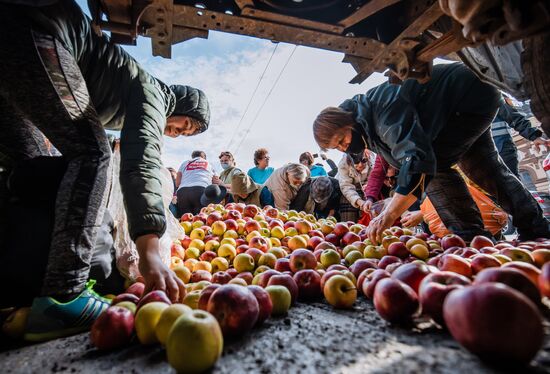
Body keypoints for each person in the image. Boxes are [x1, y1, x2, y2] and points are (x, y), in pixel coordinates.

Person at [0, 0, 210, 341]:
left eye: (185, 135)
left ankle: (13, 284)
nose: (177, 133)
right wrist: (149, 252)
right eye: (184, 126)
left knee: (29, 170)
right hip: (39, 29)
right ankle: (64, 295)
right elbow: (140, 161)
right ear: (180, 105)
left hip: (14, 31)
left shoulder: (126, 91)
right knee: (93, 153)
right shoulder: (156, 93)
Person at [313, 62, 550, 244]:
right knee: (488, 170)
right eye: (338, 148)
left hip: (465, 101)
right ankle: (536, 229)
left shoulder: (381, 114)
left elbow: (416, 159)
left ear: (348, 122)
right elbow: (396, 161)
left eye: (342, 140)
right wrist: (388, 202)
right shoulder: (367, 126)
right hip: (465, 104)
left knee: (432, 170)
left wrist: (389, 214)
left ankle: (470, 237)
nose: (345, 148)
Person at [492, 98, 550, 177]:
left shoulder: (488, 93)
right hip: (482, 157)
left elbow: (513, 117)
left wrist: (534, 136)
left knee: (511, 183)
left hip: (501, 150)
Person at [337, 150, 374, 222]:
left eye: (364, 160)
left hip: (364, 188)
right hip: (347, 190)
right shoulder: (343, 164)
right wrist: (359, 201)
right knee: (345, 200)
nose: (360, 165)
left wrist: (368, 186)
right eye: (356, 161)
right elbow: (346, 187)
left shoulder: (372, 161)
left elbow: (373, 179)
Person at [176, 151, 215, 215]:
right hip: (202, 189)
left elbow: (177, 182)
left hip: (183, 192)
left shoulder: (185, 163)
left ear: (192, 157)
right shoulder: (209, 163)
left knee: (185, 221)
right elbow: (215, 181)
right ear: (204, 157)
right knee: (201, 218)